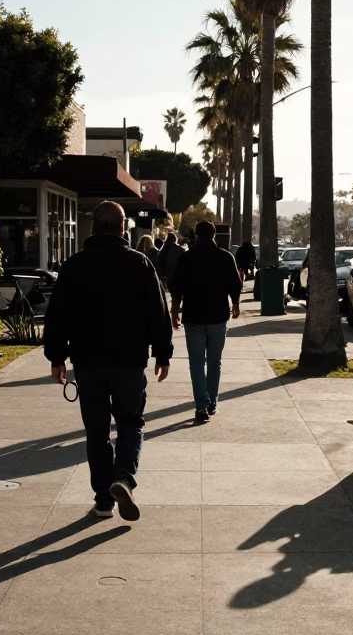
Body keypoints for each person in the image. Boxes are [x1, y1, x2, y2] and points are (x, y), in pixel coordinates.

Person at [43, 200, 173, 521]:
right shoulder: (140, 264)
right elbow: (158, 313)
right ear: (122, 227)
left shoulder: (73, 266)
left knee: (97, 430)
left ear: (92, 227)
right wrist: (162, 353)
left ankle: (103, 500)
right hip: (129, 361)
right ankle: (123, 477)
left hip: (88, 362)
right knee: (131, 422)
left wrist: (56, 357)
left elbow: (57, 316)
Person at [169, 220, 242, 423]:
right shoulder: (225, 257)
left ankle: (201, 404)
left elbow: (177, 288)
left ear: (196, 236)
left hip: (194, 317)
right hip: (218, 317)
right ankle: (212, 403)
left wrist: (174, 312)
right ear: (214, 235)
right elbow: (235, 284)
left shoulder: (186, 258)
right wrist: (235, 304)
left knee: (196, 362)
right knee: (214, 362)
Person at [157, 228, 185, 292]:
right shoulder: (179, 249)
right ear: (175, 239)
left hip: (163, 275)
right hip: (174, 276)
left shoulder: (162, 250)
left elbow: (159, 262)